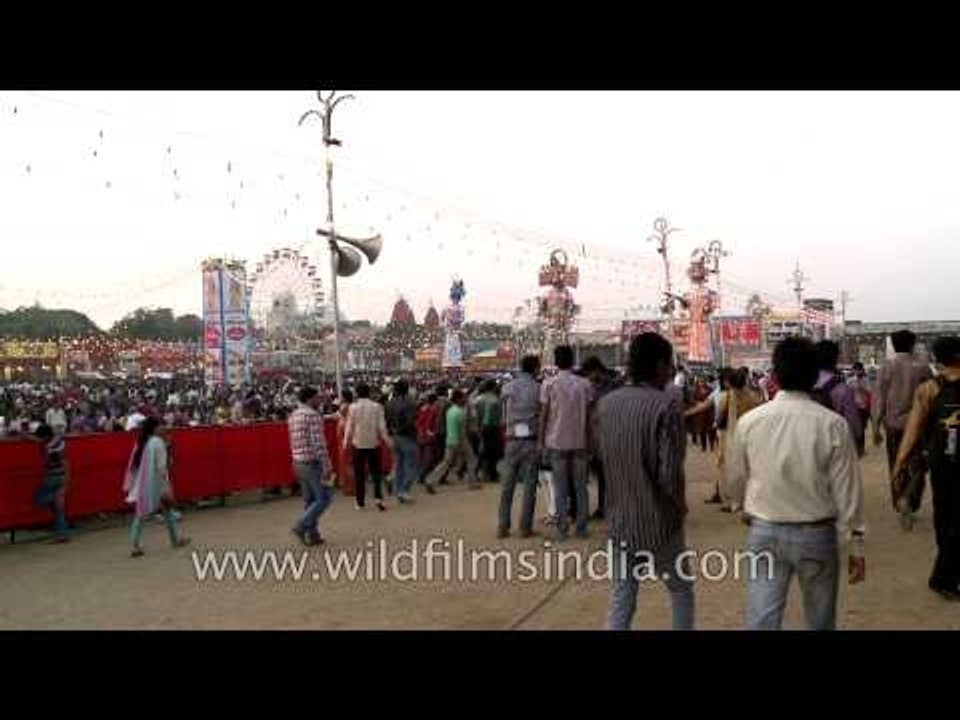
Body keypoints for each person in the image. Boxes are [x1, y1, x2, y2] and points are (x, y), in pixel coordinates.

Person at [726, 336, 865, 630]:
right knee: (820, 619)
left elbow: (736, 476)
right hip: (817, 534)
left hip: (764, 529)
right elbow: (848, 493)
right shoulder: (832, 425)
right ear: (814, 376)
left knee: (762, 618)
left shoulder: (750, 422)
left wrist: (743, 506)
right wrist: (855, 545)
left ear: (774, 375)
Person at [596, 333, 693, 630]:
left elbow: (600, 458)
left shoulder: (606, 404)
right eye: (669, 365)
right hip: (659, 520)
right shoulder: (665, 406)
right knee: (679, 589)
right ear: (661, 364)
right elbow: (669, 474)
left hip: (620, 519)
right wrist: (680, 506)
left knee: (622, 594)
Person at [891, 336, 960, 600]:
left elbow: (912, 431)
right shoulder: (929, 388)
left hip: (941, 464)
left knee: (945, 518)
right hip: (945, 463)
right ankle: (945, 577)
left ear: (938, 359)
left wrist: (899, 464)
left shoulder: (928, 389)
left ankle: (944, 577)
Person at [874, 329, 933, 530]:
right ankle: (910, 498)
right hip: (919, 425)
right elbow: (931, 396)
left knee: (896, 464)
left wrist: (875, 427)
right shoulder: (923, 368)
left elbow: (879, 399)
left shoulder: (887, 367)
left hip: (893, 425)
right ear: (912, 345)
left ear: (893, 344)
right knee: (919, 465)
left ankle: (901, 502)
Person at [539, 345, 594, 540]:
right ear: (572, 360)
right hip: (580, 442)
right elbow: (589, 417)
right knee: (580, 486)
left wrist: (540, 441)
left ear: (556, 361)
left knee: (560, 487)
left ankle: (562, 529)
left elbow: (544, 416)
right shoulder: (585, 384)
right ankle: (581, 528)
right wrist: (590, 440)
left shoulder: (548, 384)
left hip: (556, 442)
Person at [123, 417, 190, 557]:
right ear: (155, 428)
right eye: (161, 425)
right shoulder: (158, 442)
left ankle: (135, 545)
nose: (164, 427)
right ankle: (175, 540)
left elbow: (134, 465)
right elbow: (162, 467)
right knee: (166, 510)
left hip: (142, 483)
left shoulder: (142, 441)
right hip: (157, 483)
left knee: (142, 514)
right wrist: (166, 486)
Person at [498, 355, 541, 538]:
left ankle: (503, 526)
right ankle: (525, 527)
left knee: (507, 485)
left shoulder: (507, 387)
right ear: (534, 369)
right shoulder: (538, 388)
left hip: (512, 439)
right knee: (530, 485)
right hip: (531, 439)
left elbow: (503, 413)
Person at [287, 386, 335, 545]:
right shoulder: (313, 416)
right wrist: (327, 465)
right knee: (324, 498)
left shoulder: (293, 415)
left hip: (298, 461)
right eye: (317, 398)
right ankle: (300, 525)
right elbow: (318, 444)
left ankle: (312, 534)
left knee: (310, 500)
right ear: (309, 399)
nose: (319, 400)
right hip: (312, 462)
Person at [685, 368, 734, 504]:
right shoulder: (718, 393)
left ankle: (729, 497)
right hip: (723, 434)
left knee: (726, 466)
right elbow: (704, 405)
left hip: (730, 434)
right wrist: (687, 413)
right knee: (720, 466)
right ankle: (719, 493)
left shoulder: (734, 394)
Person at [716, 368, 761, 512]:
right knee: (749, 467)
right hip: (751, 436)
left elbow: (719, 418)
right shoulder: (753, 397)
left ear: (730, 382)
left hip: (731, 436)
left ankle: (732, 501)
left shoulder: (726, 397)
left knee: (729, 468)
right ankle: (749, 499)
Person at [343, 382, 392, 511]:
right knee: (376, 473)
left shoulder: (352, 407)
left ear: (357, 393)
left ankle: (360, 502)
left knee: (359, 474)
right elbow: (382, 427)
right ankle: (378, 498)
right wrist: (388, 442)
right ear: (369, 393)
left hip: (358, 444)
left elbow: (349, 427)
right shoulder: (377, 406)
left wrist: (345, 443)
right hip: (373, 443)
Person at [812, 340, 864, 455]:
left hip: (808, 447)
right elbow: (855, 428)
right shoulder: (844, 389)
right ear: (835, 359)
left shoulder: (804, 385)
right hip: (834, 447)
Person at [582, 356, 614, 520]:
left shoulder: (610, 386)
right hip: (597, 438)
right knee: (602, 475)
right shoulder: (596, 386)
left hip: (608, 437)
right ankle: (603, 507)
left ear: (596, 371)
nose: (588, 378)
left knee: (607, 476)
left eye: (589, 374)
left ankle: (606, 507)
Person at [425, 390, 477, 492]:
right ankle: (472, 482)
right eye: (463, 398)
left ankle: (430, 480)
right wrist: (465, 441)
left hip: (450, 439)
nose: (464, 400)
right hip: (460, 440)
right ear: (458, 399)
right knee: (472, 459)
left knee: (445, 462)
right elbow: (462, 430)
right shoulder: (460, 412)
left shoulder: (450, 410)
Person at [30, 423, 70, 543]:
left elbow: (65, 462)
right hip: (59, 477)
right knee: (58, 510)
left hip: (53, 478)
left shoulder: (50, 446)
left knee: (38, 498)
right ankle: (62, 535)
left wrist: (64, 486)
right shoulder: (57, 442)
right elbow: (39, 441)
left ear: (46, 436)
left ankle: (54, 498)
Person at [385, 379, 419, 504]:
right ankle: (404, 490)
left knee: (399, 464)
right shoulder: (409, 402)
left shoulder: (390, 402)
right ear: (407, 388)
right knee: (412, 465)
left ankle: (398, 490)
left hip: (394, 436)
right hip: (406, 436)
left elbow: (387, 420)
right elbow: (410, 421)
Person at [475, 379, 503, 483]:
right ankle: (492, 474)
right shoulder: (495, 400)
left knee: (482, 451)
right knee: (493, 452)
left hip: (479, 427)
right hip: (491, 428)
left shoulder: (478, 399)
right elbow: (495, 417)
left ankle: (479, 471)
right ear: (493, 387)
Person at [847, 362, 872, 456]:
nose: (857, 371)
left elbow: (870, 391)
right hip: (853, 407)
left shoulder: (866, 380)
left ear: (862, 370)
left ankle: (861, 448)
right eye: (856, 369)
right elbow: (847, 392)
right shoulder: (850, 380)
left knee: (862, 429)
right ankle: (854, 448)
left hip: (863, 408)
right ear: (853, 370)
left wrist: (862, 388)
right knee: (853, 428)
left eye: (859, 369)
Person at [335, 389, 355, 496]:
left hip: (345, 438)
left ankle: (350, 488)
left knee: (347, 464)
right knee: (349, 463)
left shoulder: (345, 407)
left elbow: (337, 415)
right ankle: (350, 487)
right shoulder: (351, 406)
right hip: (347, 437)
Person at [416, 392, 438, 482]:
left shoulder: (423, 408)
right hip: (427, 436)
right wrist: (431, 434)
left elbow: (418, 422)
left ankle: (421, 475)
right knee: (430, 458)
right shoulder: (431, 410)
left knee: (422, 458)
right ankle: (423, 476)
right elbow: (429, 424)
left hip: (420, 434)